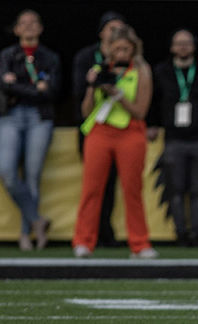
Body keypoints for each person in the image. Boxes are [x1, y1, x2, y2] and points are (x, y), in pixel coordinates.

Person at [72, 26, 157, 260]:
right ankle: (83, 241)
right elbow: (86, 111)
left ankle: (139, 243)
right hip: (100, 132)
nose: (121, 53)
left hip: (130, 132)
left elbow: (140, 112)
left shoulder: (142, 71)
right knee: (91, 189)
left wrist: (117, 94)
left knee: (132, 189)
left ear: (133, 50)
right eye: (117, 48)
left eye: (125, 49)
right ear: (109, 49)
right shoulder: (99, 69)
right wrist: (93, 86)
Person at [148, 29, 198, 247]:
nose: (182, 47)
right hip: (174, 137)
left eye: (186, 43)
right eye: (178, 43)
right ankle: (180, 235)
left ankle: (196, 234)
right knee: (175, 189)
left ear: (193, 46)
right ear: (172, 47)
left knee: (197, 189)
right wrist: (152, 124)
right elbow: (154, 100)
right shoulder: (162, 71)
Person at [0, 9, 60, 251]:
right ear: (16, 29)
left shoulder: (50, 57)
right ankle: (37, 221)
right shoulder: (8, 54)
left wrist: (19, 86)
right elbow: (4, 87)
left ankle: (26, 235)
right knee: (7, 172)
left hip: (39, 117)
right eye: (24, 23)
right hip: (11, 115)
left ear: (41, 28)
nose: (29, 26)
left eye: (34, 22)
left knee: (33, 177)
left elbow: (53, 91)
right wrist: (35, 89)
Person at [72, 10, 125, 248]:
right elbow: (77, 91)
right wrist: (94, 83)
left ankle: (106, 232)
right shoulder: (86, 57)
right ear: (101, 32)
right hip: (91, 127)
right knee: (93, 185)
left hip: (117, 127)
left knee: (111, 183)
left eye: (120, 29)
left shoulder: (127, 58)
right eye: (111, 28)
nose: (115, 33)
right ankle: (87, 235)